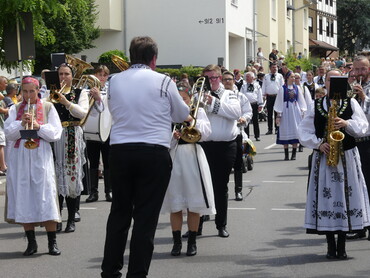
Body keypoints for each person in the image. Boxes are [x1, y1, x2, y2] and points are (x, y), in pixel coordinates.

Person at [101, 36, 189, 278]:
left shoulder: (113, 80)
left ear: (131, 56)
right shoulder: (163, 81)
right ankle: (137, 273)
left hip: (120, 151)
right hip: (153, 152)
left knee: (119, 212)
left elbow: (112, 109)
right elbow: (182, 113)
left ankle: (109, 271)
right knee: (145, 217)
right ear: (154, 59)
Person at [297, 69, 370, 259]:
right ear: (325, 82)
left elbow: (363, 127)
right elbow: (303, 131)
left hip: (347, 156)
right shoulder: (317, 105)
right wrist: (318, 144)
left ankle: (343, 246)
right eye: (330, 80)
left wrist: (346, 124)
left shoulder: (351, 102)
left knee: (347, 198)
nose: (333, 83)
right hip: (325, 158)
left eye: (338, 79)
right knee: (327, 199)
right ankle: (330, 245)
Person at [4, 77, 63, 256]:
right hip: (20, 156)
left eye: (32, 91)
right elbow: (8, 133)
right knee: (23, 196)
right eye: (25, 91)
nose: (28, 95)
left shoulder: (47, 107)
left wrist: (39, 126)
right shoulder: (14, 109)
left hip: (40, 156)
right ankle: (31, 242)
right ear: (21, 91)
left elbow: (55, 133)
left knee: (45, 195)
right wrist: (21, 123)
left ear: (38, 91)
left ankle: (52, 242)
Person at [161, 81, 216, 257]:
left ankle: (192, 242)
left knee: (194, 203)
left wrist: (191, 120)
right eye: (179, 100)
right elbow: (162, 141)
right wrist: (173, 137)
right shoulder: (168, 114)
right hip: (175, 157)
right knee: (175, 204)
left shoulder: (198, 111)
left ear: (190, 99)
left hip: (194, 157)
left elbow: (207, 134)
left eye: (184, 99)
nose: (182, 102)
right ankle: (176, 243)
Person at [200, 64, 241, 237]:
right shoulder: (199, 94)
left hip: (226, 146)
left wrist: (213, 103)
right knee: (201, 186)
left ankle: (220, 225)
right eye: (207, 78)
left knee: (221, 186)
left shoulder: (230, 93)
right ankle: (197, 226)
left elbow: (235, 112)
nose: (211, 81)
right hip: (204, 145)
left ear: (220, 77)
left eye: (214, 78)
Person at [49, 63, 89, 233]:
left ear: (72, 76)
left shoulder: (81, 92)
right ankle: (57, 217)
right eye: (60, 74)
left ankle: (71, 218)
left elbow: (83, 113)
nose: (63, 77)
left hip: (73, 134)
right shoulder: (50, 93)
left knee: (72, 175)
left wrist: (67, 103)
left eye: (66, 74)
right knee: (56, 178)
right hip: (56, 136)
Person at [346, 55, 370, 240]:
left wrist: (364, 98)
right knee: (357, 185)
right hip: (355, 142)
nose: (359, 73)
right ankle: (360, 226)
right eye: (356, 69)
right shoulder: (350, 86)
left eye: (363, 69)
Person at [222, 71, 252, 201]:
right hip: (223, 135)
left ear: (234, 81)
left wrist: (244, 119)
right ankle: (223, 191)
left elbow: (248, 111)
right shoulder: (219, 96)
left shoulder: (240, 96)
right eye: (225, 79)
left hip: (237, 133)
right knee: (222, 167)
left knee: (238, 164)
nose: (227, 81)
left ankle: (238, 190)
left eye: (230, 79)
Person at [85, 65, 112, 203]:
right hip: (92, 129)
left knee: (108, 162)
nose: (101, 77)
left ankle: (109, 191)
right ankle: (93, 192)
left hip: (107, 129)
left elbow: (104, 108)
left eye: (104, 75)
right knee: (93, 162)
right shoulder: (86, 90)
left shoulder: (110, 90)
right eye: (99, 74)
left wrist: (98, 98)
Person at [274, 71, 307, 160]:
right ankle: (286, 155)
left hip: (295, 111)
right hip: (285, 110)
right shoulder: (282, 89)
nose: (293, 79)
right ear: (287, 78)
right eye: (292, 77)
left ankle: (294, 154)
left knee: (295, 129)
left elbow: (301, 100)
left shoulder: (297, 88)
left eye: (294, 77)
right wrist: (279, 114)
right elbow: (279, 102)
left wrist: (303, 111)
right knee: (285, 129)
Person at [262, 62, 284, 135]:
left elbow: (282, 86)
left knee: (277, 113)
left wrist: (282, 95)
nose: (275, 69)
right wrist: (263, 94)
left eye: (276, 67)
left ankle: (277, 128)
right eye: (273, 67)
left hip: (277, 96)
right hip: (269, 96)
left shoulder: (280, 76)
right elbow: (264, 85)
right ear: (270, 68)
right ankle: (270, 129)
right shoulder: (266, 76)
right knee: (269, 113)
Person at [241, 72, 263, 141]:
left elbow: (260, 95)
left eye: (248, 77)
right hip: (246, 105)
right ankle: (246, 136)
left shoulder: (257, 86)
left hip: (254, 104)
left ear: (252, 78)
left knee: (255, 120)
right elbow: (241, 95)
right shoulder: (243, 86)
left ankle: (257, 136)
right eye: (246, 77)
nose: (246, 78)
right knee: (246, 120)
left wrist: (260, 105)